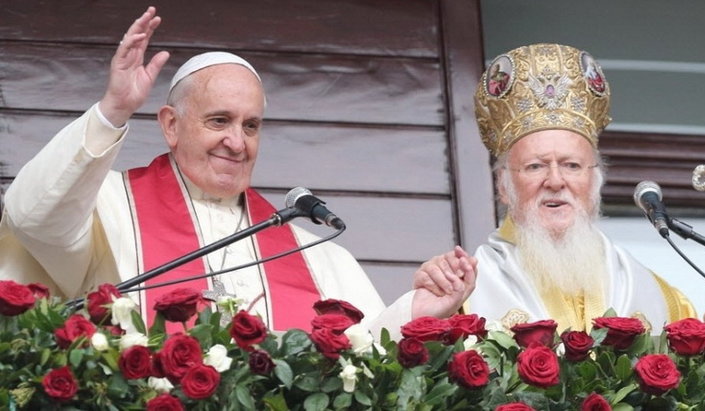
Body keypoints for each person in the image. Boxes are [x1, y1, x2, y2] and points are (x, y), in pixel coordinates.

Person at [0, 7, 476, 336]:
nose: (237, 141)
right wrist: (112, 111)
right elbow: (34, 217)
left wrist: (416, 310)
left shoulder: (312, 251)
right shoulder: (107, 207)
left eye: (251, 126)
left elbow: (358, 355)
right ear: (170, 125)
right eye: (219, 121)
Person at [414, 43, 701, 333]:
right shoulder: (462, 292)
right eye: (535, 166)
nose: (554, 181)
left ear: (595, 183)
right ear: (504, 186)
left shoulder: (663, 299)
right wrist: (422, 318)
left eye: (572, 166)